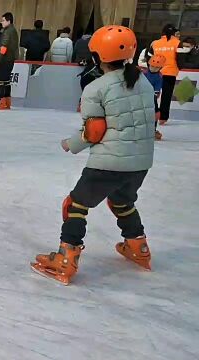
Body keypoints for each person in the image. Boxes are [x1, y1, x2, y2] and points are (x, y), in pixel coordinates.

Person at [31, 26, 155, 285]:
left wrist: (71, 143)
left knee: (75, 205)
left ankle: (66, 258)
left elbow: (95, 131)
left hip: (109, 161)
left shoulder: (96, 88)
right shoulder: (142, 80)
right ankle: (138, 247)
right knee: (122, 201)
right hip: (141, 161)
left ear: (98, 57)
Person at [151, 24, 183, 126]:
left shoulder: (155, 43)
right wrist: (179, 67)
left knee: (152, 95)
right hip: (170, 72)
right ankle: (163, 118)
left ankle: (150, 114)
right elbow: (181, 58)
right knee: (166, 96)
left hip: (156, 71)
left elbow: (149, 57)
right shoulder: (177, 43)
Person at [0, 12, 18, 110]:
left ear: (9, 21)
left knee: (0, 80)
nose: (2, 22)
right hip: (11, 59)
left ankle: (1, 101)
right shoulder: (14, 30)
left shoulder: (7, 31)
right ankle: (7, 101)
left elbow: (3, 47)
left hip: (5, 59)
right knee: (6, 81)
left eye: (3, 20)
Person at [143, 54, 166, 140]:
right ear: (149, 64)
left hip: (152, 97)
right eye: (152, 66)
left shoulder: (159, 77)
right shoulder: (143, 73)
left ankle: (153, 130)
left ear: (160, 68)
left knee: (155, 113)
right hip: (142, 96)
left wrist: (155, 95)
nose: (153, 68)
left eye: (156, 67)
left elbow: (157, 88)